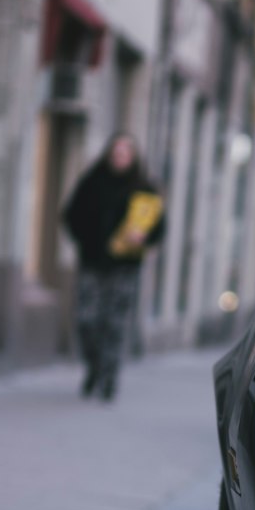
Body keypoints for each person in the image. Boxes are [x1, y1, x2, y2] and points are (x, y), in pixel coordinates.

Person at [61, 132, 165, 401]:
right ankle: (94, 366)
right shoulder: (92, 182)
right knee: (87, 319)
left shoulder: (144, 189)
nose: (120, 158)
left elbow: (158, 227)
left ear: (133, 157)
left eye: (125, 153)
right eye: (116, 153)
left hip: (125, 266)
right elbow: (70, 214)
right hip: (93, 262)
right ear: (109, 155)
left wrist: (144, 237)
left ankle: (109, 378)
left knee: (115, 324)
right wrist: (86, 239)